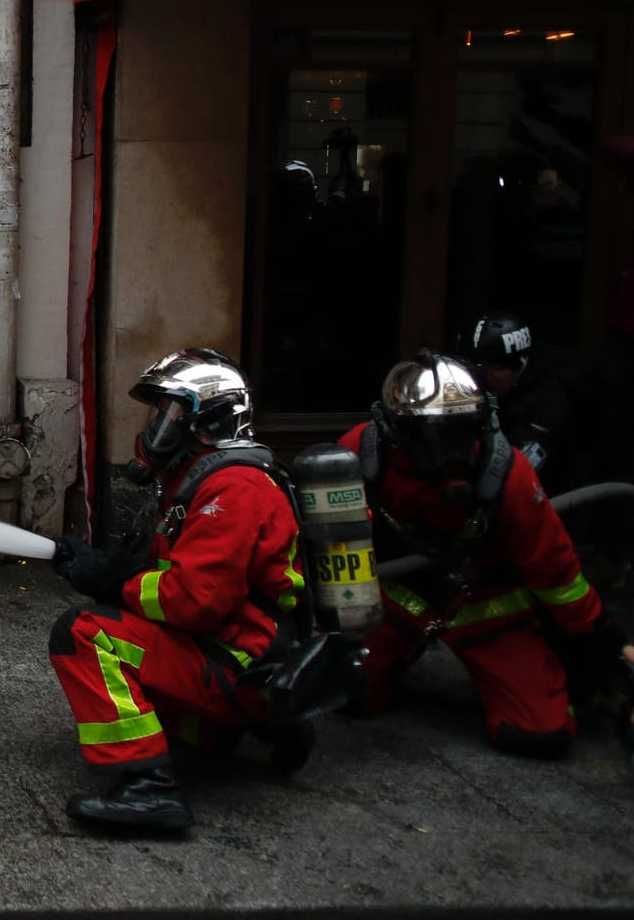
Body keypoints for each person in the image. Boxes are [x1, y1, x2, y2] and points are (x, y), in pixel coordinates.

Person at [48, 348, 306, 831]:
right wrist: (101, 566)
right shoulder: (205, 479)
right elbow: (181, 572)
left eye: (172, 414)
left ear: (209, 422)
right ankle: (255, 727)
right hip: (239, 653)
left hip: (238, 661)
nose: (157, 428)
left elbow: (195, 600)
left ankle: (148, 789)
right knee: (188, 728)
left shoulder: (235, 489)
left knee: (84, 634)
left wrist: (112, 582)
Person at [338, 351, 633, 758]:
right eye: (436, 432)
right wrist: (340, 629)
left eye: (462, 429)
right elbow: (333, 554)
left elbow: (558, 575)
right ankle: (387, 664)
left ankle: (558, 675)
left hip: (485, 606)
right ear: (397, 430)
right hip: (393, 602)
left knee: (538, 735)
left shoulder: (506, 473)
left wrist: (610, 646)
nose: (452, 449)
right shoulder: (359, 456)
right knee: (347, 696)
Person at [462, 310, 598, 493]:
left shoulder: (550, 400)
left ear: (517, 364)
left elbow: (516, 469)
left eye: (493, 368)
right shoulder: (492, 380)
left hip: (549, 489)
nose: (484, 378)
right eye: (477, 367)